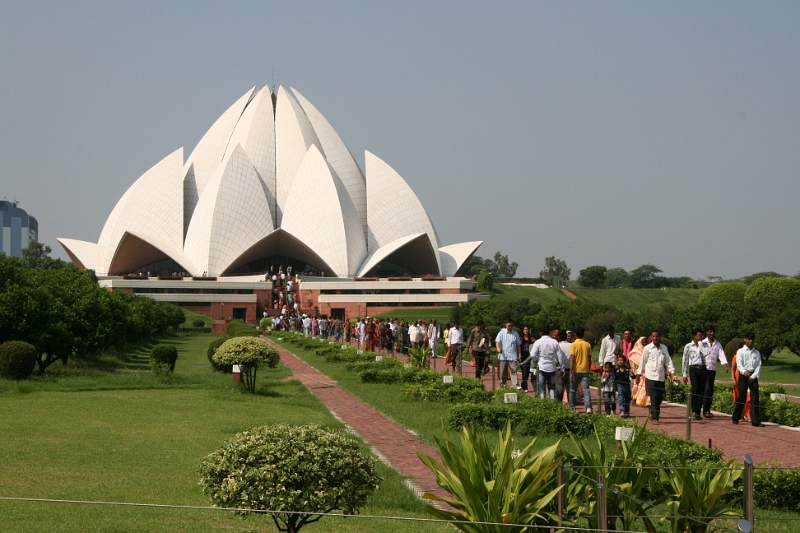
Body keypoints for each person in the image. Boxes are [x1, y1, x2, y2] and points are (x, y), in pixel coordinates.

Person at [637, 330, 675, 422]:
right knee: (653, 397)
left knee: (659, 398)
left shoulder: (664, 348)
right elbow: (643, 362)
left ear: (660, 337)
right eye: (653, 336)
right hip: (650, 376)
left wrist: (672, 372)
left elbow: (668, 361)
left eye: (657, 336)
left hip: (660, 377)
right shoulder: (647, 348)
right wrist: (638, 374)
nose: (655, 338)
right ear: (651, 337)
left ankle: (652, 410)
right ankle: (655, 417)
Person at [732, 333, 763, 427]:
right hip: (743, 375)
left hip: (753, 376)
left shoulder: (756, 352)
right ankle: (736, 417)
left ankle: (756, 421)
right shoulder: (740, 351)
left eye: (752, 339)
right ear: (745, 339)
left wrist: (753, 376)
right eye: (749, 339)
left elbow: (758, 365)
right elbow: (739, 364)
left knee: (755, 398)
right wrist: (744, 372)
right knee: (741, 397)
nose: (751, 341)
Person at [529, 326, 567, 399]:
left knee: (542, 388)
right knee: (552, 387)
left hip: (542, 367)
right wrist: (562, 367)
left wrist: (538, 360)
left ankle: (543, 404)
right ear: (549, 332)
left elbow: (532, 355)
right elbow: (560, 357)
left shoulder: (538, 342)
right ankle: (552, 404)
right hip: (552, 368)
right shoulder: (554, 342)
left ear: (541, 333)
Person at [702, 326, 729, 418]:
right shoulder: (702, 343)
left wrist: (725, 365)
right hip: (702, 369)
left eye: (713, 332)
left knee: (709, 390)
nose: (711, 333)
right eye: (709, 331)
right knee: (701, 390)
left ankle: (706, 410)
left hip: (712, 370)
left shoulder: (718, 344)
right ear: (706, 333)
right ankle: (696, 410)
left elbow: (721, 355)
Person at [682, 328, 707, 421]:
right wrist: (684, 374)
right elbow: (685, 360)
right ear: (694, 336)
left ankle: (697, 412)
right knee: (695, 389)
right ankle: (693, 409)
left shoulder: (705, 345)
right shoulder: (688, 346)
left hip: (703, 368)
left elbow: (706, 354)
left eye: (702, 335)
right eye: (699, 335)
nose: (701, 337)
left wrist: (701, 346)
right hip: (693, 369)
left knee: (701, 391)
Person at [569, 327, 593, 412]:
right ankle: (588, 408)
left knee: (572, 390)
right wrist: (589, 369)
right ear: (583, 334)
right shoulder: (587, 345)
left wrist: (571, 372)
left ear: (576, 335)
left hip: (575, 370)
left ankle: (572, 408)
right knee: (586, 390)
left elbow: (572, 358)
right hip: (585, 370)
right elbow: (590, 359)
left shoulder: (573, 344)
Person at [495, 321, 521, 388]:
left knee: (513, 371)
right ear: (506, 325)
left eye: (511, 326)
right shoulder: (501, 333)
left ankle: (515, 385)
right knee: (503, 372)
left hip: (513, 356)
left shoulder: (515, 334)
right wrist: (498, 349)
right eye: (508, 325)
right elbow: (497, 342)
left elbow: (518, 345)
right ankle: (503, 385)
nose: (510, 327)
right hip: (503, 356)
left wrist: (519, 354)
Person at [628, 336, 650, 407]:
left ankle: (644, 402)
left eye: (645, 341)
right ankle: (634, 399)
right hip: (638, 372)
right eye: (642, 341)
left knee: (644, 388)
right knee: (636, 387)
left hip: (646, 372)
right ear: (639, 341)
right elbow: (632, 359)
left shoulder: (647, 350)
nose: (644, 342)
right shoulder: (635, 351)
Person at [558, 330, 574, 402]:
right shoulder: (571, 345)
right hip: (570, 369)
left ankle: (558, 405)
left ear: (559, 337)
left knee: (559, 388)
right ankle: (571, 406)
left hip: (560, 369)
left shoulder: (558, 345)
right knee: (570, 388)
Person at [519, 326, 535, 392]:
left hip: (530, 357)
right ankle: (525, 387)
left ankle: (523, 385)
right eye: (524, 329)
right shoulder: (520, 338)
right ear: (523, 331)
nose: (526, 330)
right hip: (523, 357)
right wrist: (519, 355)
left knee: (528, 373)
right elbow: (518, 347)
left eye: (527, 329)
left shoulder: (531, 338)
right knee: (524, 373)